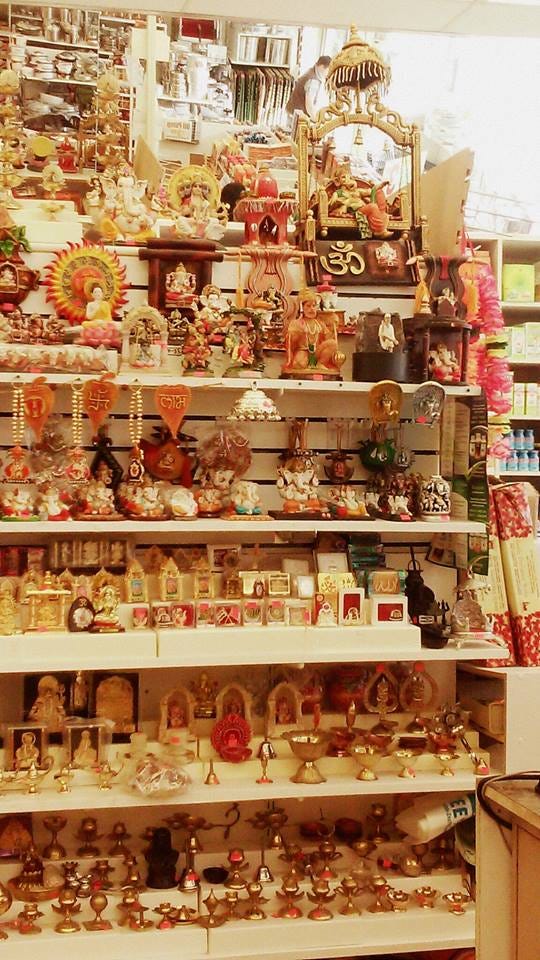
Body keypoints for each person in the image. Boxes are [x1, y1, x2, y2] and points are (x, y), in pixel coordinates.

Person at [286, 55, 331, 120]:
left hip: (293, 111)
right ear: (322, 67)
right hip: (297, 116)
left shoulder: (311, 71)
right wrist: (316, 120)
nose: (328, 74)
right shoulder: (313, 81)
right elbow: (309, 106)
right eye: (328, 70)